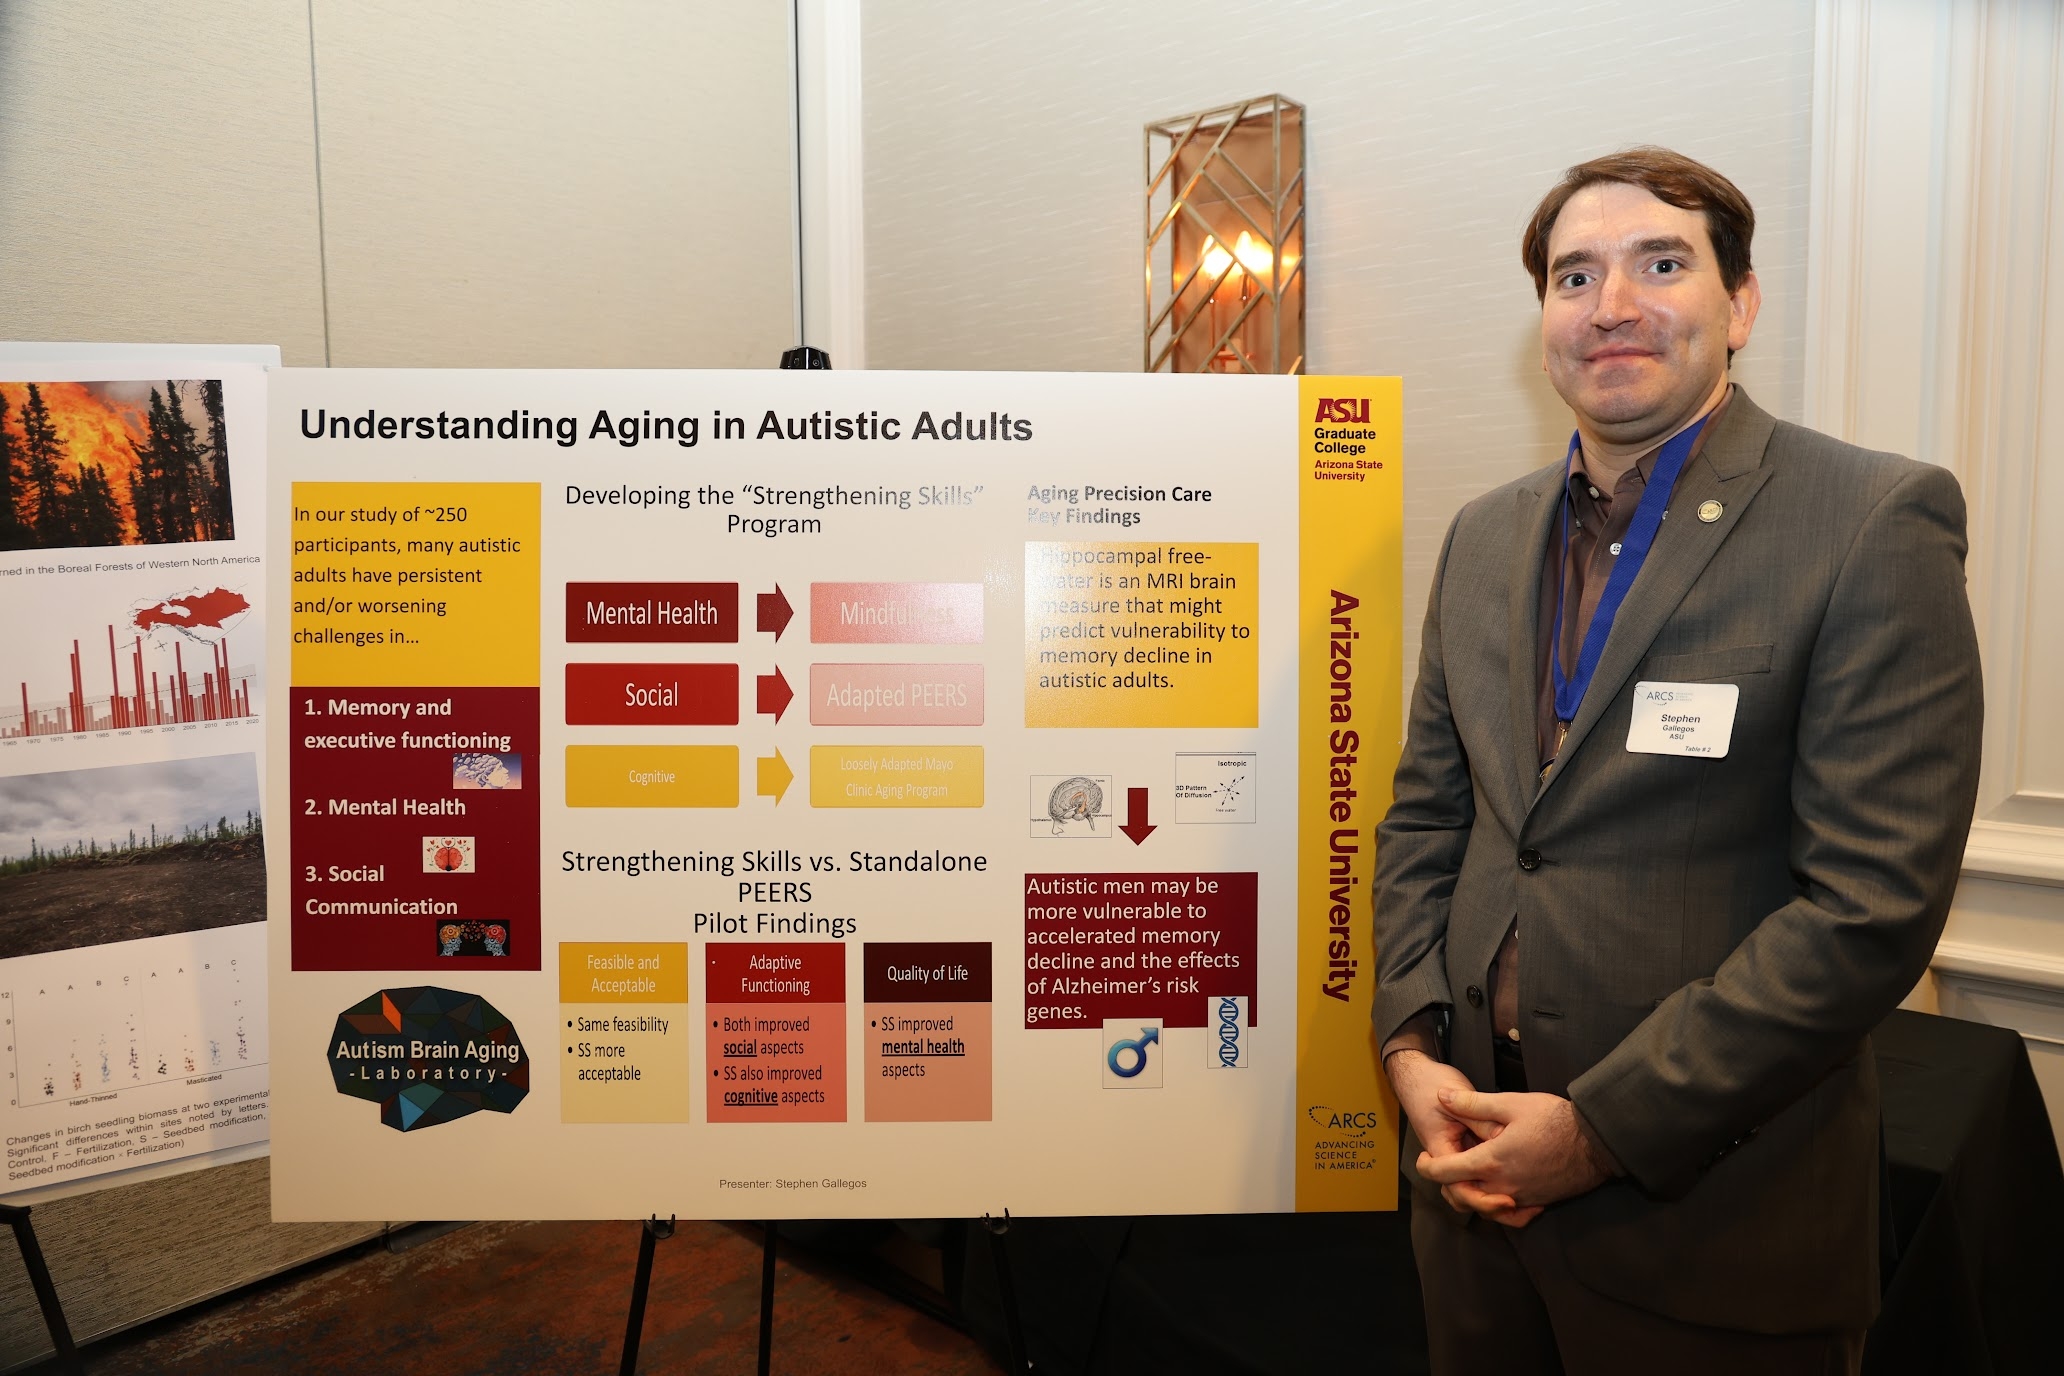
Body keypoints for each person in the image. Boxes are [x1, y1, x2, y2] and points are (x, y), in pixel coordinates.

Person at [1372, 146, 1983, 1373]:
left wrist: (1599, 1130)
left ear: (1739, 304)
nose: (1611, 304)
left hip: (1710, 1225)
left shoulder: (1869, 520)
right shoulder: (1482, 534)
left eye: (1661, 264)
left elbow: (1869, 906)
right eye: (1574, 275)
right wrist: (1409, 1045)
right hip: (1468, 1195)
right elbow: (1428, 819)